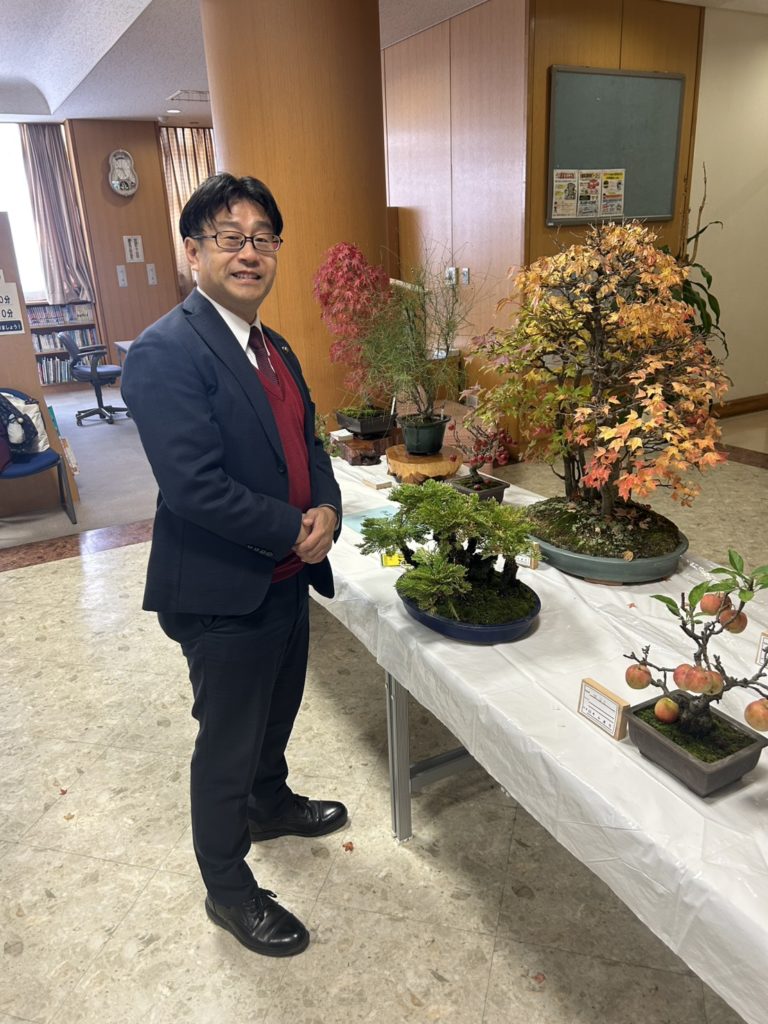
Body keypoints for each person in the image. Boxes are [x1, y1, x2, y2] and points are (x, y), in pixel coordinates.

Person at [122, 172, 345, 958]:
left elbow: (310, 444)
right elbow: (194, 486)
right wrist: (293, 527)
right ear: (193, 252)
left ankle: (269, 802)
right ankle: (227, 886)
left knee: (275, 713)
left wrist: (328, 510)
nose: (249, 252)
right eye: (229, 237)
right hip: (222, 590)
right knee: (227, 743)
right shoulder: (165, 351)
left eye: (262, 238)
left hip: (286, 577)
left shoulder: (272, 347)